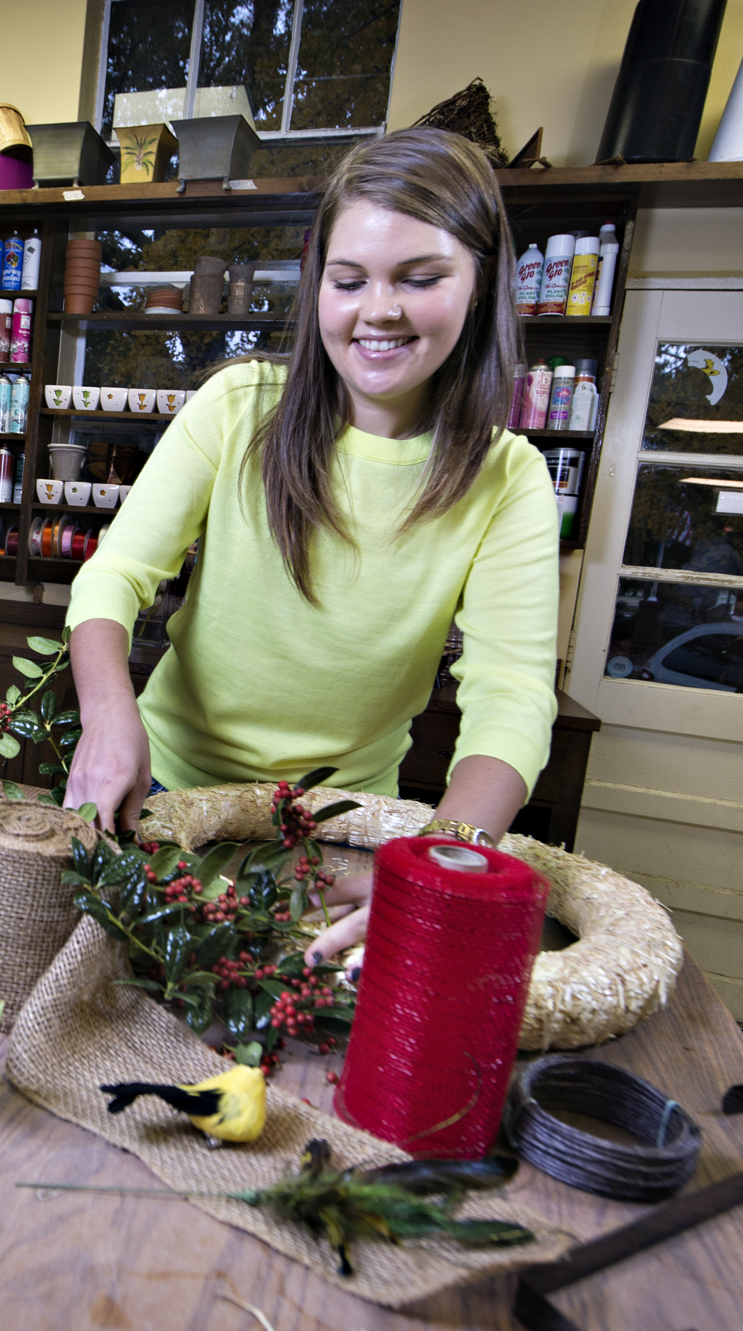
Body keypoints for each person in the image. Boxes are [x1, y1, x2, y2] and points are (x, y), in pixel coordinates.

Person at [60, 128, 561, 965]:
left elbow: (511, 701)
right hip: (165, 795)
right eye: (349, 279)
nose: (380, 310)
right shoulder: (238, 407)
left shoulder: (509, 480)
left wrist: (432, 863)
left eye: (421, 277)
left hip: (342, 839)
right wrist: (109, 718)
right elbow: (114, 575)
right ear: (317, 282)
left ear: (481, 283)